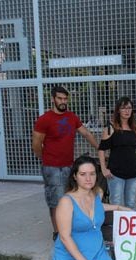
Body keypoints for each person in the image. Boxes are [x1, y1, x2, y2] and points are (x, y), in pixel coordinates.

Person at [53, 155, 130, 260]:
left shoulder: (96, 194)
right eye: (83, 174)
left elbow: (97, 208)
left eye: (92, 173)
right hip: (71, 258)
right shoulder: (66, 202)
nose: (88, 178)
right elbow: (64, 237)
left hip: (98, 253)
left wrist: (118, 207)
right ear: (74, 176)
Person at [32, 85, 99, 240]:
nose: (63, 102)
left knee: (71, 198)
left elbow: (86, 133)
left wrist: (99, 148)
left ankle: (68, 228)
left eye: (65, 99)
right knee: (55, 200)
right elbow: (36, 143)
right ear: (53, 99)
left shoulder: (72, 117)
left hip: (70, 165)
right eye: (60, 98)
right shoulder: (44, 120)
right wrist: (45, 159)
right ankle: (58, 232)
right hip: (52, 167)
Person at [98, 97, 136, 208]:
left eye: (129, 108)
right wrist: (103, 169)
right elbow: (101, 149)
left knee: (130, 204)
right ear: (118, 110)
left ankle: (129, 226)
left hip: (133, 173)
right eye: (123, 108)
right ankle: (114, 226)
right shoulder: (111, 128)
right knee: (115, 203)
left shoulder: (134, 129)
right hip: (115, 174)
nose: (127, 111)